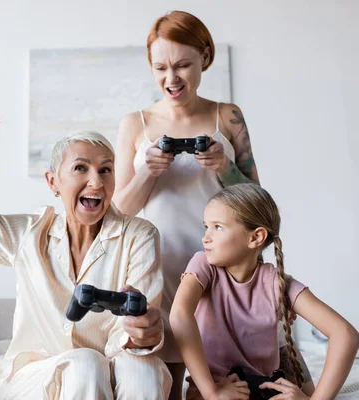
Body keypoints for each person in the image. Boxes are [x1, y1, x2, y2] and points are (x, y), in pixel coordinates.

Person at [0, 105, 172, 399]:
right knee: (86, 364)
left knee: (141, 369)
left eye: (106, 170)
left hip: (108, 367)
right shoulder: (29, 235)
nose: (96, 181)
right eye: (81, 168)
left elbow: (134, 334)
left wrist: (144, 332)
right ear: (53, 182)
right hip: (37, 377)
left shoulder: (139, 236)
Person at [113, 10, 271, 397]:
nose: (171, 79)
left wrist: (225, 167)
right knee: (163, 385)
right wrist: (147, 172)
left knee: (216, 387)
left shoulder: (228, 117)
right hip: (156, 266)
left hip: (221, 270)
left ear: (205, 56)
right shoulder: (135, 123)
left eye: (183, 65)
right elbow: (118, 212)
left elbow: (259, 204)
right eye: (160, 68)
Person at [170, 183, 359, 400]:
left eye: (218, 227)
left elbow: (345, 334)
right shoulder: (203, 265)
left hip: (262, 389)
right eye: (206, 227)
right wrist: (212, 392)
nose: (206, 237)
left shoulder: (277, 283)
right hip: (214, 391)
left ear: (255, 237)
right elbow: (179, 315)